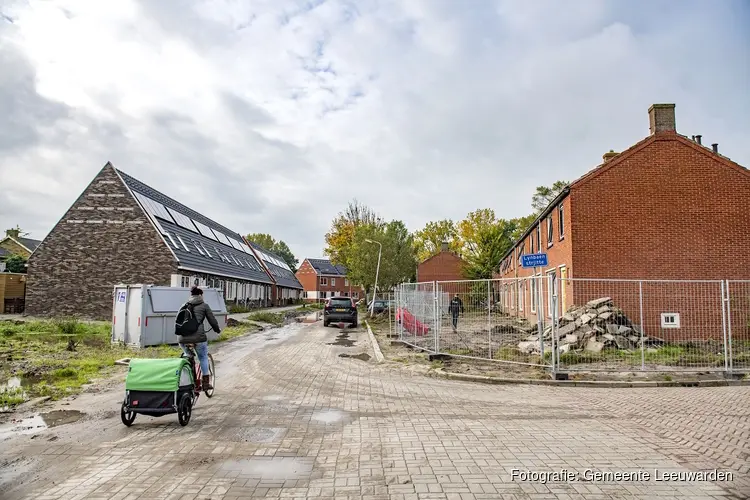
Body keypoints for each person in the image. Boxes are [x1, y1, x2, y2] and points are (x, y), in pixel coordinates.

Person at [177, 286, 220, 390]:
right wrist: (217, 329)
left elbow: (178, 321)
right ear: (200, 295)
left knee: (188, 356)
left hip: (182, 339)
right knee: (203, 358)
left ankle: (189, 380)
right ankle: (205, 384)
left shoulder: (184, 305)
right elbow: (212, 320)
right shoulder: (204, 306)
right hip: (199, 338)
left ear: (191, 295)